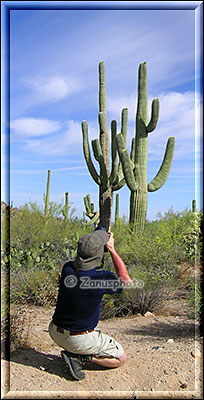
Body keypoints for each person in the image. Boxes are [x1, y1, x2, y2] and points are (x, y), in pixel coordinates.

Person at [49, 227, 132, 380]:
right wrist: (112, 250)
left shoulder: (67, 269)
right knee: (121, 358)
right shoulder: (100, 279)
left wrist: (97, 235)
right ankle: (81, 358)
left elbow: (84, 263)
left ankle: (76, 351)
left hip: (54, 332)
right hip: (77, 340)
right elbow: (126, 281)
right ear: (99, 254)